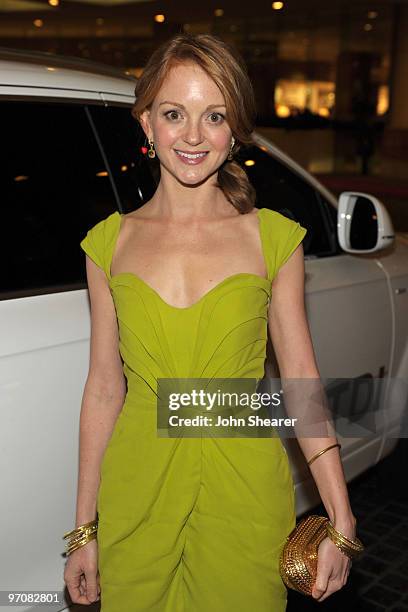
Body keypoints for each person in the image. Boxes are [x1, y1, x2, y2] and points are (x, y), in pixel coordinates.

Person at [63, 33, 357, 611]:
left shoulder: (272, 238)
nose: (193, 136)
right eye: (174, 114)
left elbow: (300, 384)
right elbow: (103, 389)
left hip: (244, 490)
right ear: (146, 123)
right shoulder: (107, 245)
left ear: (236, 131)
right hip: (137, 488)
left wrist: (340, 520)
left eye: (214, 115)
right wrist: (84, 532)